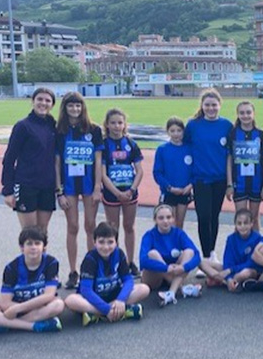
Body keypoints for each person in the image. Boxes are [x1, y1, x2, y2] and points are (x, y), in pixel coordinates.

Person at [0, 227, 64, 336]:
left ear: (44, 247)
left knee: (58, 304)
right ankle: (33, 326)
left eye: (37, 243)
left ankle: (4, 324)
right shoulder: (11, 268)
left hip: (36, 306)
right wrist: (16, 308)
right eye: (29, 244)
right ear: (22, 247)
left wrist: (18, 309)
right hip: (16, 305)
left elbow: (49, 295)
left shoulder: (51, 263)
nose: (33, 247)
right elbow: (5, 303)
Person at [54, 92, 104, 290]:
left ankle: (90, 270)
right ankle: (73, 271)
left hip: (89, 185)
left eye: (78, 105)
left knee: (90, 226)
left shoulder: (94, 129)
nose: (75, 109)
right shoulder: (59, 131)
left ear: (83, 107)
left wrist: (98, 186)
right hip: (69, 186)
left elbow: (98, 161)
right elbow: (57, 162)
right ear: (65, 108)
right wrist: (59, 191)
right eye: (71, 106)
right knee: (72, 226)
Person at [64, 222, 149, 326]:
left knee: (144, 289)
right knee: (70, 300)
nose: (106, 247)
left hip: (114, 295)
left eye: (110, 242)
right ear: (94, 242)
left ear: (116, 243)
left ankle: (96, 314)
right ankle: (117, 311)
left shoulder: (119, 254)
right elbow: (86, 290)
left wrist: (120, 300)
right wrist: (106, 309)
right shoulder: (90, 259)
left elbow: (128, 279)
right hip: (94, 298)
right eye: (101, 242)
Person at [184, 89, 233, 263]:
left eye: (214, 105)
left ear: (220, 105)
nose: (211, 108)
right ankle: (205, 257)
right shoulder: (193, 125)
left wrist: (230, 183)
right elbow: (186, 150)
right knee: (203, 217)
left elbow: (230, 154)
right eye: (207, 105)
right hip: (200, 179)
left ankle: (212, 253)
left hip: (219, 179)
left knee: (214, 217)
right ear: (202, 106)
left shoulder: (227, 126)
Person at [1, 88, 57, 233]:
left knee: (42, 232)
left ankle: (42, 250)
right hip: (26, 185)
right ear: (33, 101)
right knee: (29, 233)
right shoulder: (23, 126)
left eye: (47, 100)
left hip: (47, 186)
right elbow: (9, 158)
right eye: (40, 99)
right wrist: (8, 190)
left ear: (52, 105)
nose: (43, 103)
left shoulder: (53, 126)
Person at [101, 108, 143, 275]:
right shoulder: (104, 145)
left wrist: (132, 189)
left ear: (125, 124)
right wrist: (116, 193)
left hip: (130, 192)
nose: (117, 126)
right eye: (113, 123)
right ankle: (114, 262)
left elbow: (139, 171)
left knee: (129, 227)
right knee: (113, 229)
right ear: (107, 125)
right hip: (111, 193)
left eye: (120, 122)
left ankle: (130, 262)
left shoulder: (131, 144)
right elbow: (102, 174)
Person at [139, 204, 202, 307]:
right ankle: (181, 288)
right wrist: (165, 268)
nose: (165, 221)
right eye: (161, 218)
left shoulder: (179, 233)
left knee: (189, 252)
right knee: (152, 254)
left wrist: (183, 267)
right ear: (155, 220)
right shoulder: (149, 235)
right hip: (154, 278)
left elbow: (197, 255)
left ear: (173, 219)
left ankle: (171, 292)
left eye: (168, 217)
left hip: (175, 272)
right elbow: (143, 261)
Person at [226, 101, 263, 232]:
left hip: (256, 182)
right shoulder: (233, 134)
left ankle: (256, 244)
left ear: (254, 114)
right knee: (241, 218)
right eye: (242, 113)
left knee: (254, 217)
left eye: (248, 112)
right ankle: (238, 244)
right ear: (238, 115)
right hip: (239, 182)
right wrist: (229, 184)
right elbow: (229, 159)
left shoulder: (261, 135)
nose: (245, 116)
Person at [202, 208, 263, 292]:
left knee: (245, 274)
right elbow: (227, 261)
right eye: (239, 223)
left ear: (251, 224)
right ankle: (228, 282)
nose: (242, 226)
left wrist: (230, 271)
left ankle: (224, 280)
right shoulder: (231, 239)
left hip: (249, 269)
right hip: (232, 269)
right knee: (202, 263)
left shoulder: (257, 238)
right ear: (235, 225)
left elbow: (251, 263)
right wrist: (228, 277)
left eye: (246, 223)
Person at [154, 117, 193, 229]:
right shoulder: (162, 149)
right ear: (167, 132)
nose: (176, 134)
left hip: (184, 192)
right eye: (172, 131)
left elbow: (195, 170)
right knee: (168, 224)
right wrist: (169, 187)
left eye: (179, 130)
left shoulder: (189, 149)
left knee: (179, 224)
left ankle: (178, 241)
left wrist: (190, 185)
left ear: (183, 131)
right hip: (168, 192)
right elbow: (157, 172)